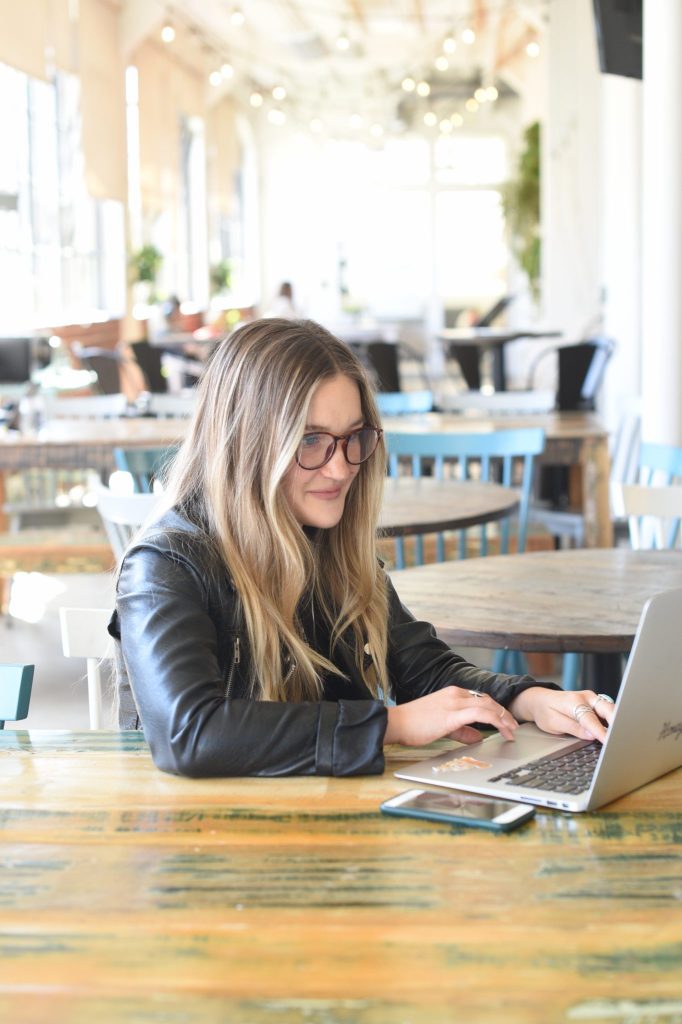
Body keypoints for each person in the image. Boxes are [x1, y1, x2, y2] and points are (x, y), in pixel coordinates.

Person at [109, 317, 615, 778]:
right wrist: (390, 725)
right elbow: (190, 735)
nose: (342, 467)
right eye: (310, 441)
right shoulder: (166, 564)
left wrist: (526, 699)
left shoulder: (329, 543)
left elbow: (426, 668)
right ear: (248, 445)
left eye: (353, 437)